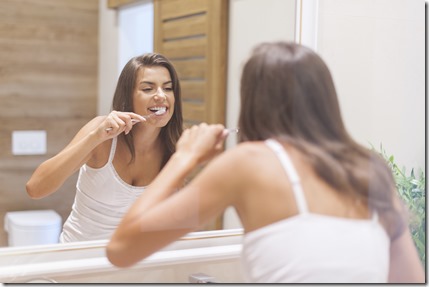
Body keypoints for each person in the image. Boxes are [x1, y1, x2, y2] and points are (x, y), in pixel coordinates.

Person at [106, 42, 424, 283]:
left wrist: (185, 157)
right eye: (148, 88)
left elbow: (121, 248)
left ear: (253, 102)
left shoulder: (247, 164)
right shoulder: (371, 168)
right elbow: (409, 279)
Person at [26, 53, 183, 243]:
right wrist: (95, 138)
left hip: (133, 262)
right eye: (148, 88)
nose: (161, 95)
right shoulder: (100, 133)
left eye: (168, 88)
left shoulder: (179, 146)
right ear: (128, 96)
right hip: (80, 260)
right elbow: (35, 188)